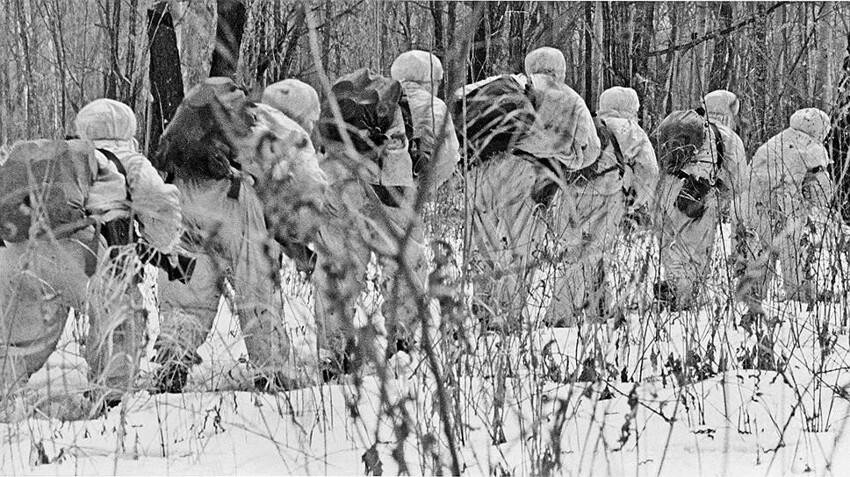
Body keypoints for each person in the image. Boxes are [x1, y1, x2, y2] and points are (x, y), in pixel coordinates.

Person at [151, 77, 295, 393]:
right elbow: (276, 172)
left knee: (186, 291)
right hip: (234, 204)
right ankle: (270, 371)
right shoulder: (252, 126)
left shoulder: (183, 132)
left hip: (186, 200)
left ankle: (173, 362)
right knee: (256, 286)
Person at [0, 139, 127, 420]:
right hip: (75, 252)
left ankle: (3, 393)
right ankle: (112, 395)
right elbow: (119, 207)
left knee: (22, 337)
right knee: (117, 319)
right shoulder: (105, 160)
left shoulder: (45, 162)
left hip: (16, 253)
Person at [313, 68, 428, 375]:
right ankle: (402, 340)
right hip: (380, 185)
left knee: (336, 263)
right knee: (404, 260)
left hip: (334, 178)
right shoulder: (408, 109)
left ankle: (334, 351)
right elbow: (425, 159)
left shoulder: (348, 107)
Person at [73, 98, 183, 407]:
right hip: (108, 251)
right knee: (120, 322)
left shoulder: (70, 155)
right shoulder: (128, 159)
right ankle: (111, 396)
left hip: (55, 250)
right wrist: (162, 242)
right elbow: (159, 203)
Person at [739, 108, 838, 306]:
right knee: (791, 250)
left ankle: (755, 293)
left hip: (751, 205)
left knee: (763, 251)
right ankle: (798, 294)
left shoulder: (775, 141)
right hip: (785, 206)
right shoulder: (814, 148)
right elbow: (821, 190)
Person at [654, 104, 747, 310]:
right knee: (693, 253)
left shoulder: (682, 124)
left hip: (666, 188)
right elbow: (738, 180)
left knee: (670, 246)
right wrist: (719, 197)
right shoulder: (728, 136)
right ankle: (681, 299)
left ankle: (671, 286)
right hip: (698, 192)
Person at [390, 50, 461, 196]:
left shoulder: (384, 99)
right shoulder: (435, 106)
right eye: (437, 82)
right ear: (429, 81)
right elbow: (449, 155)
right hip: (410, 193)